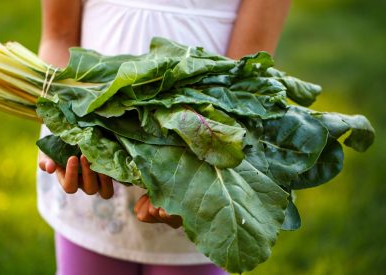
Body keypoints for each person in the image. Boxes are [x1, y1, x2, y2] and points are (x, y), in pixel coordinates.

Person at [37, 0, 291, 274]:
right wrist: (60, 126)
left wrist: (197, 182)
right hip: (91, 160)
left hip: (196, 176)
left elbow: (239, 82)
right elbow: (58, 38)